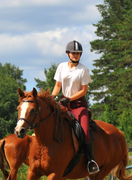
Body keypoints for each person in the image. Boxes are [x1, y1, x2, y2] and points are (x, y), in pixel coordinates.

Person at [52, 40, 100, 174]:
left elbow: (84, 91)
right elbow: (57, 86)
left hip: (78, 105)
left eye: (78, 53)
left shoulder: (83, 70)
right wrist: (53, 97)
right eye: (73, 53)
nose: (76, 55)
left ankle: (91, 161)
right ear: (68, 54)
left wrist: (69, 99)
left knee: (85, 131)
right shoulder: (61, 67)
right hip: (63, 104)